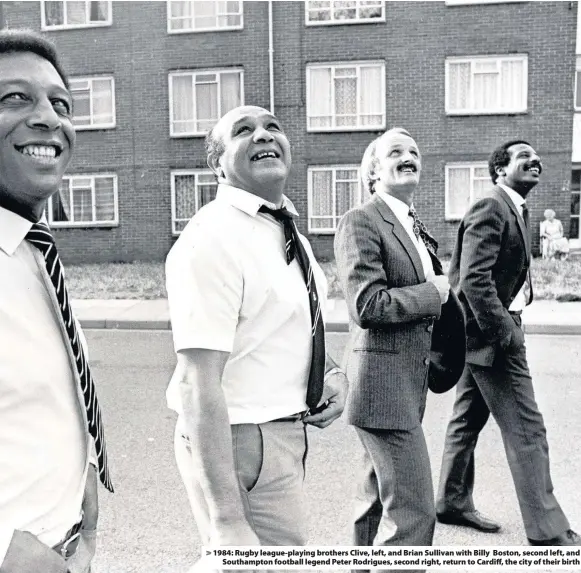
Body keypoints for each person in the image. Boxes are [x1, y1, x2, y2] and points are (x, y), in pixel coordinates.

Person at [165, 105, 347, 567]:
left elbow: (282, 322)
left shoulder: (284, 230)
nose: (263, 134)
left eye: (272, 127)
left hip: (282, 434)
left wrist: (331, 372)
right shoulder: (213, 237)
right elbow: (195, 382)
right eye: (243, 131)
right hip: (239, 441)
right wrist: (226, 515)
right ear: (218, 164)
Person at [0, 29, 113, 573]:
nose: (49, 118)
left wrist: (82, 514)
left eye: (60, 103)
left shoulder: (30, 249)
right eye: (13, 98)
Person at [436, 140, 580, 546]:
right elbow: (472, 280)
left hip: (480, 331)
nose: (536, 160)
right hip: (492, 334)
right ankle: (548, 528)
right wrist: (506, 334)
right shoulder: (492, 206)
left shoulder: (512, 205)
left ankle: (451, 501)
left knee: (466, 420)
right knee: (527, 428)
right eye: (523, 157)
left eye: (537, 156)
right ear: (500, 170)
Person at [334, 127, 464, 568]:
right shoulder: (362, 220)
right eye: (395, 152)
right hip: (383, 390)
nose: (409, 157)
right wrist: (433, 293)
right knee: (413, 515)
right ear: (374, 171)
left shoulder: (410, 222)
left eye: (414, 151)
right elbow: (367, 305)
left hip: (403, 383)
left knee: (374, 501)